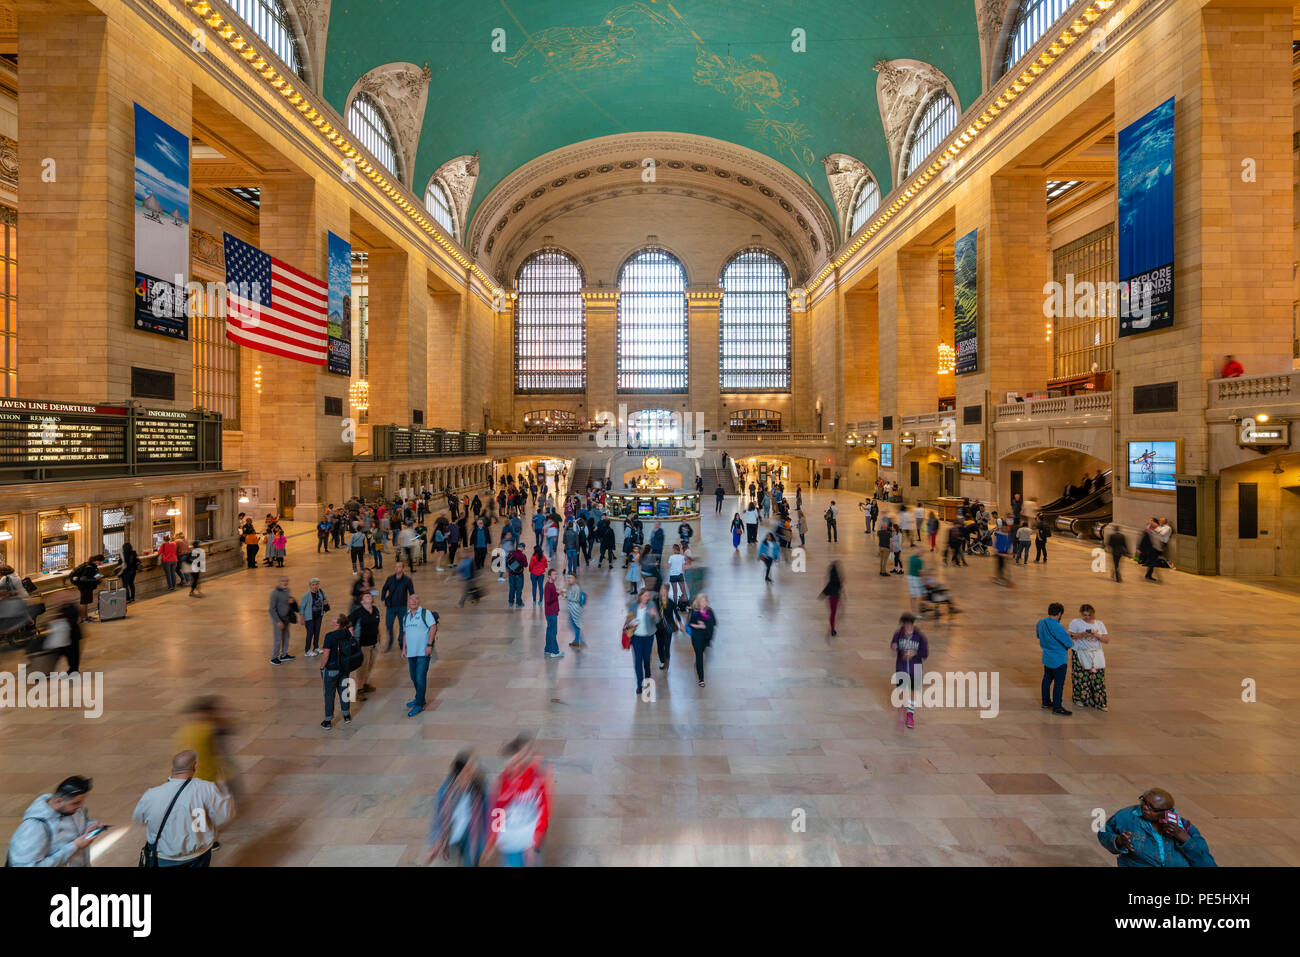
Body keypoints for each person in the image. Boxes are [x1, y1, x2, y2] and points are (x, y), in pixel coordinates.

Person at [133, 750, 234, 867]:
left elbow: (139, 818)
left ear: (173, 768)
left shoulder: (151, 794)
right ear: (195, 766)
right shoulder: (207, 789)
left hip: (164, 858)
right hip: (198, 857)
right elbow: (223, 817)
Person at [1097, 789, 1217, 867]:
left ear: (1167, 812)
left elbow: (1206, 863)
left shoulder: (1185, 827)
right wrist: (1118, 841)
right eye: (1144, 801)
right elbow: (1103, 833)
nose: (1145, 808)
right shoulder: (1126, 816)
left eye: (1152, 808)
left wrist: (1186, 840)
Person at [484, 735, 552, 867]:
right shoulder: (501, 782)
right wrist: (492, 841)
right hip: (511, 840)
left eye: (517, 762)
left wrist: (535, 842)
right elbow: (498, 810)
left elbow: (543, 810)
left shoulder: (537, 779)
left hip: (531, 838)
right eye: (511, 764)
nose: (514, 767)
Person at [6, 775, 100, 866]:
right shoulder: (35, 827)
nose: (80, 806)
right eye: (76, 803)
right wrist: (74, 846)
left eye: (82, 801)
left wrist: (89, 827)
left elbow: (83, 822)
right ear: (58, 801)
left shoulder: (75, 809)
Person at [425, 751, 490, 867]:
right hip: (452, 835)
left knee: (471, 861)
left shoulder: (480, 787)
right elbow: (438, 818)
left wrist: (490, 840)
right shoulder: (446, 790)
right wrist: (435, 842)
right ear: (459, 773)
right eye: (469, 768)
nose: (474, 770)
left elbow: (491, 811)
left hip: (472, 833)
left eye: (474, 766)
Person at [1068, 604, 1111, 711]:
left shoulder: (1099, 624)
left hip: (1096, 654)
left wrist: (1097, 635)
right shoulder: (1076, 622)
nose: (1087, 617)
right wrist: (1081, 635)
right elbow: (1070, 636)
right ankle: (1081, 699)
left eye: (1089, 615)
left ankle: (1099, 702)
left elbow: (1106, 640)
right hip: (1081, 653)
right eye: (1085, 615)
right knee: (1081, 678)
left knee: (1098, 679)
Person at [402, 593, 438, 717]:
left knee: (420, 677)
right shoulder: (406, 616)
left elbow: (433, 627)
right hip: (411, 653)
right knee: (413, 676)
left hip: (423, 652)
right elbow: (405, 633)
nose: (413, 601)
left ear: (419, 602)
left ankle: (419, 704)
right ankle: (419, 698)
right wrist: (403, 648)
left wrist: (429, 645)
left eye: (416, 599)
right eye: (411, 599)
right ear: (408, 602)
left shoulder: (425, 613)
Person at [319, 613, 356, 729]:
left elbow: (326, 654)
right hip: (344, 668)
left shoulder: (329, 636)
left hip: (331, 669)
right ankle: (346, 715)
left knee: (329, 694)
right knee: (344, 691)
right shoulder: (347, 633)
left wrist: (322, 666)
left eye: (335, 618)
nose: (332, 618)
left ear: (338, 623)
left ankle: (328, 720)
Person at [890, 613, 928, 729]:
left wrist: (915, 653)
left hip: (915, 669)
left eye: (908, 625)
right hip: (901, 667)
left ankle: (910, 714)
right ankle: (901, 715)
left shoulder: (920, 637)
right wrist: (894, 646)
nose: (906, 628)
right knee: (901, 692)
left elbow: (925, 653)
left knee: (912, 694)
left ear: (912, 625)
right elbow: (893, 644)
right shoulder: (898, 634)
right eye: (904, 625)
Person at [1037, 602, 1074, 716]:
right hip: (1059, 659)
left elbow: (1039, 635)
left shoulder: (1041, 622)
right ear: (1059, 614)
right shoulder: (1058, 627)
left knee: (1047, 679)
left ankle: (1045, 702)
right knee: (1059, 683)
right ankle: (1057, 707)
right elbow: (1069, 643)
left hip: (1047, 657)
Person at [348, 590, 381, 699]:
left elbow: (378, 624)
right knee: (362, 667)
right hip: (363, 645)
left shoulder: (375, 609)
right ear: (362, 601)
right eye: (366, 596)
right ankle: (359, 690)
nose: (369, 597)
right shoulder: (358, 613)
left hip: (374, 644)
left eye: (369, 596)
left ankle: (365, 684)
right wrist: (352, 633)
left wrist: (379, 637)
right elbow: (348, 623)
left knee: (370, 665)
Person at [628, 589, 660, 697]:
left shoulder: (651, 604)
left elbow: (657, 621)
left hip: (648, 636)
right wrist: (630, 623)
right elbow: (628, 621)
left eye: (648, 596)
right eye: (645, 595)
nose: (647, 597)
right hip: (636, 637)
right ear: (640, 596)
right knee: (638, 660)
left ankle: (647, 675)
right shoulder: (633, 605)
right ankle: (639, 685)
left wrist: (653, 615)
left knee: (646, 659)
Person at [381, 562, 415, 652]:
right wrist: (382, 599)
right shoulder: (390, 579)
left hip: (402, 607)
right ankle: (390, 641)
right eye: (395, 567)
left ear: (403, 568)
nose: (397, 568)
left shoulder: (407, 580)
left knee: (402, 626)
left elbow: (412, 593)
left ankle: (401, 643)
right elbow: (384, 589)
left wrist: (413, 604)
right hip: (390, 607)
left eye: (399, 567)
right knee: (388, 625)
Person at [69, 554, 104, 623]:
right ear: (96, 561)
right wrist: (95, 578)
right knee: (84, 603)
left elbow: (91, 575)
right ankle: (83, 618)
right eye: (100, 561)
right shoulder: (89, 567)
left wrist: (98, 576)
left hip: (87, 586)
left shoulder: (91, 566)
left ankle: (86, 617)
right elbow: (83, 578)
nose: (101, 563)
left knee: (86, 602)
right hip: (84, 587)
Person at [269, 575, 296, 665]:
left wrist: (291, 602)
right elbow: (271, 609)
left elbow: (286, 602)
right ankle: (274, 658)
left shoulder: (288, 590)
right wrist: (278, 621)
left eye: (287, 581)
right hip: (279, 619)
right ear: (279, 582)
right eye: (283, 581)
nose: (285, 583)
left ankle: (284, 655)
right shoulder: (274, 593)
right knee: (278, 639)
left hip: (286, 618)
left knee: (286, 637)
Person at [300, 577, 329, 657]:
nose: (315, 586)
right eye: (313, 585)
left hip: (319, 616)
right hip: (310, 618)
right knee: (310, 633)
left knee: (317, 632)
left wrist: (325, 602)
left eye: (316, 584)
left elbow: (325, 599)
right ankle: (307, 650)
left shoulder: (320, 592)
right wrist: (302, 618)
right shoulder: (306, 596)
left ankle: (316, 647)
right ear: (310, 586)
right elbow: (302, 607)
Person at [542, 568, 563, 659]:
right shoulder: (549, 586)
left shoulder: (551, 584)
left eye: (556, 574)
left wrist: (556, 593)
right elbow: (548, 600)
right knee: (553, 632)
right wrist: (557, 594)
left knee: (549, 630)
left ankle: (548, 649)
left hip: (550, 612)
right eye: (554, 574)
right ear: (549, 576)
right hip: (551, 612)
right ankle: (554, 651)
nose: (556, 576)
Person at [821, 562, 844, 636]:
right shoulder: (838, 581)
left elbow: (827, 589)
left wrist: (823, 595)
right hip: (836, 598)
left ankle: (832, 628)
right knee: (834, 613)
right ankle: (832, 629)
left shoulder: (831, 582)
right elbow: (840, 588)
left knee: (832, 614)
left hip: (832, 599)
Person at [565, 573, 586, 648]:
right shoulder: (573, 586)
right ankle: (577, 641)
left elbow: (575, 598)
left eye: (571, 578)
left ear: (575, 579)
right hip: (573, 609)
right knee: (574, 625)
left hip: (574, 610)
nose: (569, 579)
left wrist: (566, 596)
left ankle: (580, 640)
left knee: (573, 626)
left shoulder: (575, 587)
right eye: (569, 578)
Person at [1138, 518, 1162, 582]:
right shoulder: (1148, 532)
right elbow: (1143, 541)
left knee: (1152, 564)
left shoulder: (1154, 532)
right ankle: (1148, 575)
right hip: (1151, 550)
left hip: (1154, 549)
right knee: (1152, 563)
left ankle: (1148, 575)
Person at [505, 541, 527, 608]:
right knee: (519, 589)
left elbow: (507, 563)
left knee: (512, 588)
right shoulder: (523, 556)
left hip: (511, 575)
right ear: (522, 548)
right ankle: (518, 603)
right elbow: (525, 565)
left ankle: (511, 602)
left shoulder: (511, 554)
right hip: (519, 575)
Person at [906, 545, 925, 614]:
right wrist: (924, 581)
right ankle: (918, 611)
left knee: (913, 596)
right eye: (921, 552)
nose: (922, 553)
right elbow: (920, 572)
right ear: (918, 552)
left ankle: (913, 611)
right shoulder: (919, 561)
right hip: (916, 579)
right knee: (921, 595)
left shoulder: (911, 558)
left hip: (910, 578)